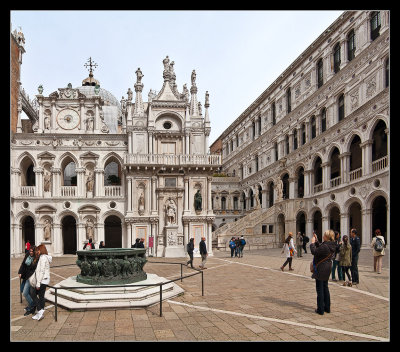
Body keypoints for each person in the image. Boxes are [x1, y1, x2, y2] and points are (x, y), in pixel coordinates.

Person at [310, 230, 336, 315]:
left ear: (327, 237)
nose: (323, 236)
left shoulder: (325, 246)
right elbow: (321, 248)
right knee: (325, 287)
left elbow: (315, 252)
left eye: (324, 235)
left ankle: (320, 309)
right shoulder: (331, 244)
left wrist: (312, 243)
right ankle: (327, 308)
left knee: (320, 289)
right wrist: (317, 241)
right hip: (328, 267)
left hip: (321, 268)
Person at [29, 244, 52, 321]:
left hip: (42, 280)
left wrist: (38, 283)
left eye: (38, 250)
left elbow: (41, 271)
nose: (37, 251)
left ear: (41, 250)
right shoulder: (44, 257)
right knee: (40, 296)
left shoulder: (43, 258)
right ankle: (40, 313)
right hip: (44, 279)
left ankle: (40, 311)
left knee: (33, 293)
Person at [18, 246, 38, 316]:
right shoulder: (27, 255)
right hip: (25, 276)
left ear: (35, 252)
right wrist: (20, 272)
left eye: (32, 251)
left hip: (30, 277)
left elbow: (35, 270)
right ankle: (32, 304)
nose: (31, 252)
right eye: (30, 251)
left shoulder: (36, 259)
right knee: (22, 289)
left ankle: (32, 306)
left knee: (25, 293)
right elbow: (23, 264)